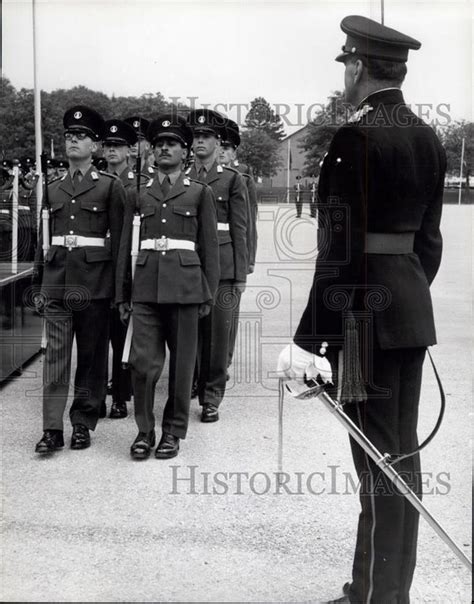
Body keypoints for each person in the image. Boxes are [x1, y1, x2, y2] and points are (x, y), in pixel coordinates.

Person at [278, 15, 446, 604]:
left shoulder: (357, 138)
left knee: (378, 466)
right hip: (405, 314)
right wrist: (404, 293)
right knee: (397, 456)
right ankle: (376, 591)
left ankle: (376, 599)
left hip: (365, 322)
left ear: (356, 67)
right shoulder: (426, 135)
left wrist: (310, 340)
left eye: (345, 66)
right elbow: (429, 242)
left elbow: (340, 249)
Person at [116, 113, 219, 460]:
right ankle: (144, 430)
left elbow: (209, 249)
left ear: (185, 151)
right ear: (151, 150)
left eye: (171, 143)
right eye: (159, 144)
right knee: (143, 364)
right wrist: (122, 293)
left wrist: (210, 292)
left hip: (187, 288)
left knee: (183, 365)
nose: (164, 148)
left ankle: (173, 431)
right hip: (144, 288)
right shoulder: (137, 193)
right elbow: (124, 248)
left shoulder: (199, 193)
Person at [32, 105, 126, 454]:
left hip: (94, 285)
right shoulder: (53, 189)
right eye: (70, 136)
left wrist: (119, 291)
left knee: (90, 357)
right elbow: (45, 243)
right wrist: (41, 286)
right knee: (56, 357)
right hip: (58, 282)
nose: (73, 141)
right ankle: (52, 428)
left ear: (95, 146)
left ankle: (83, 422)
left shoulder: (110, 187)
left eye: (81, 136)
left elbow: (119, 244)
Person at [186, 108, 247, 423]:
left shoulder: (231, 179)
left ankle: (211, 398)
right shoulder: (182, 176)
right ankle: (186, 389)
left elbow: (240, 229)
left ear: (218, 141)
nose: (199, 142)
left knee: (216, 337)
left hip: (222, 267)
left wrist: (239, 274)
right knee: (188, 333)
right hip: (188, 265)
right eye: (195, 136)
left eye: (205, 136)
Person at [102, 118, 148, 418]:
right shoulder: (97, 179)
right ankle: (97, 393)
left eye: (118, 145)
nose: (112, 150)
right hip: (97, 266)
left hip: (125, 264)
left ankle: (120, 394)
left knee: (122, 336)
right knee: (97, 338)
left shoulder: (139, 184)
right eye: (108, 145)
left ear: (130, 150)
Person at [219, 117, 258, 372]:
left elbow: (249, 224)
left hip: (232, 255)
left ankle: (224, 360)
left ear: (234, 151)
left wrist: (248, 260)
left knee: (228, 316)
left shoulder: (242, 177)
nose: (221, 151)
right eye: (218, 145)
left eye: (226, 147)